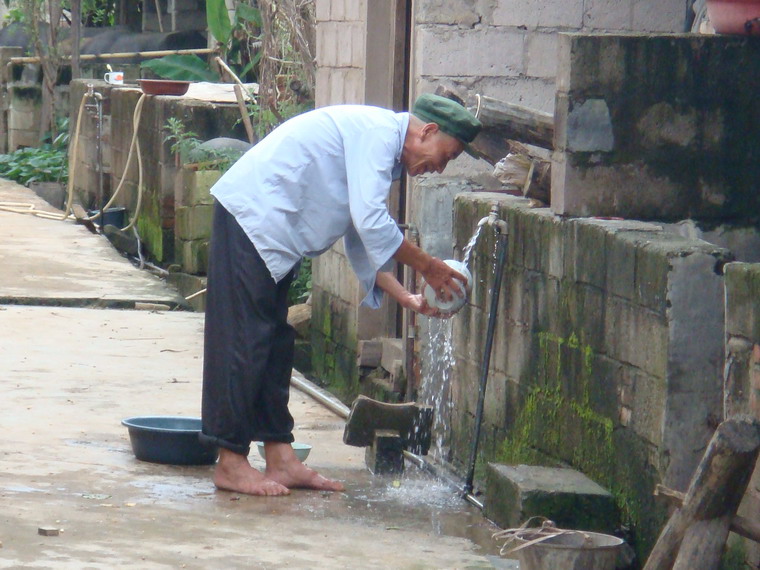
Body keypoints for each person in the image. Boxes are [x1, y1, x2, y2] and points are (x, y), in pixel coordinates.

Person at [200, 93, 482, 496]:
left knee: (274, 345)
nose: (439, 168)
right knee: (242, 342)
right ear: (428, 131)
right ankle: (229, 461)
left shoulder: (382, 154)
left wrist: (406, 297)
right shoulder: (379, 135)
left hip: (274, 234)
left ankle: (280, 456)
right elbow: (370, 222)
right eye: (446, 156)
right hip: (252, 217)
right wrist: (429, 268)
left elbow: (358, 233)